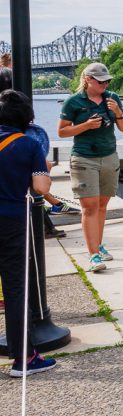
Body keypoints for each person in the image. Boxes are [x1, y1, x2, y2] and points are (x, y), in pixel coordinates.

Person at [0, 89, 57, 376]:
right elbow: (41, 189)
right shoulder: (28, 145)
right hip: (10, 222)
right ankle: (24, 359)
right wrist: (44, 169)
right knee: (15, 290)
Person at [57, 62, 123, 272]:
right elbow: (62, 132)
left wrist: (117, 112)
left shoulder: (112, 98)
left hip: (109, 157)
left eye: (107, 81)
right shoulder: (73, 101)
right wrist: (86, 126)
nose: (105, 84)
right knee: (89, 207)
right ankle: (94, 256)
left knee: (101, 205)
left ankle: (98, 245)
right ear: (88, 80)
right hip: (84, 158)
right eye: (101, 81)